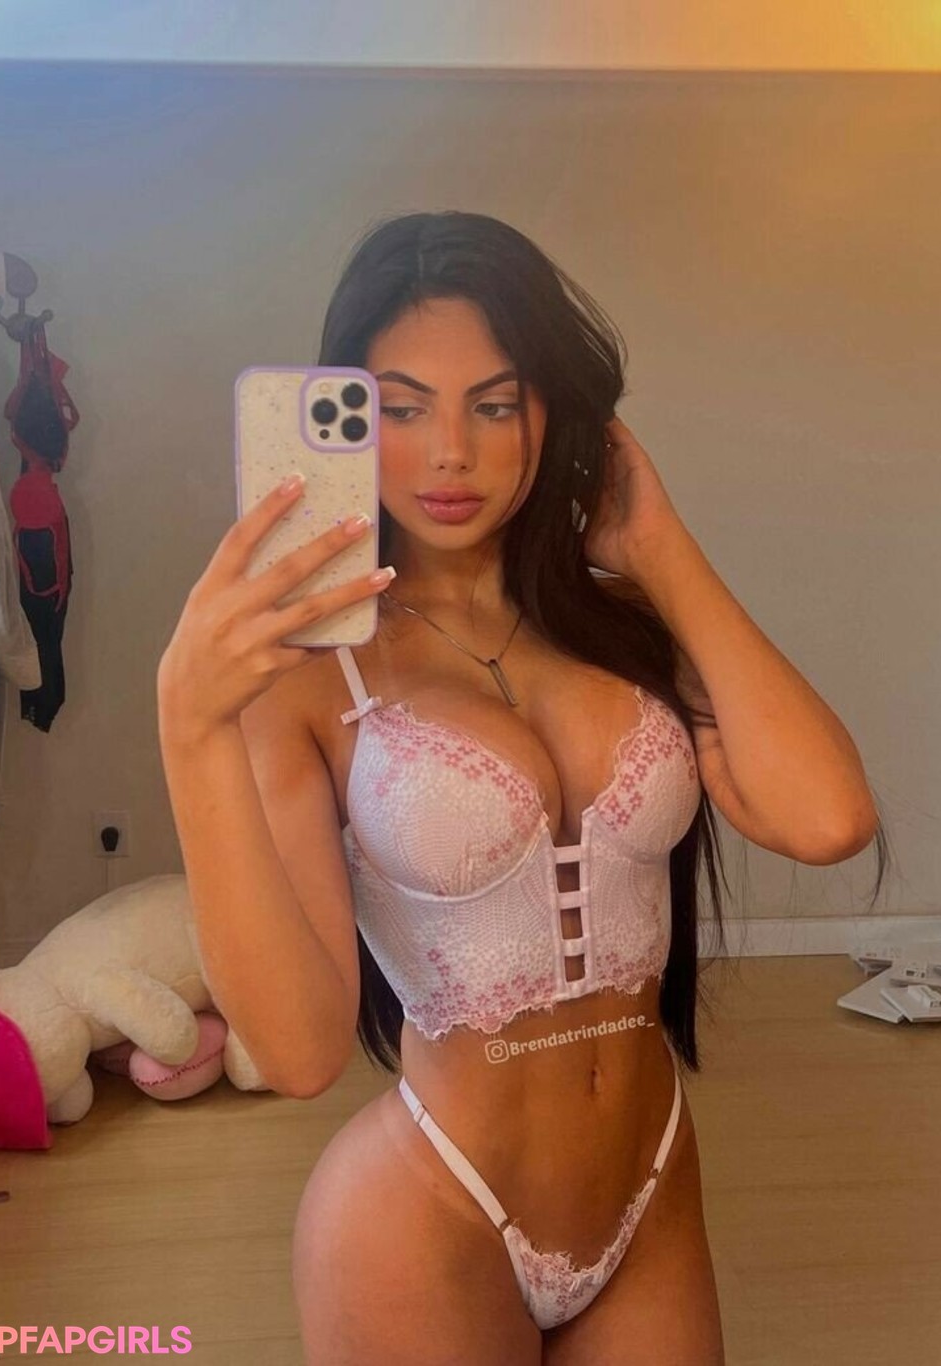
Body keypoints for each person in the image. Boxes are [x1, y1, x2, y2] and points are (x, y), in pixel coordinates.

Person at [157, 211, 884, 1365]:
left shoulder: (622, 626)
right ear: (346, 421)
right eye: (402, 408)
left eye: (495, 405)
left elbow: (830, 817)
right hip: (429, 1211)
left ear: (554, 413)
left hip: (648, 1188)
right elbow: (298, 1052)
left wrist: (659, 548)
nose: (450, 453)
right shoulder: (309, 677)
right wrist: (189, 726)